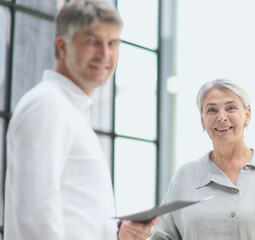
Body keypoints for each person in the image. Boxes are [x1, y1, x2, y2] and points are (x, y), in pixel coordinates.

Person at [4, 1, 157, 239]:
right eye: (92, 41)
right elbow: (35, 220)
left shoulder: (70, 110)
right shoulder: (47, 106)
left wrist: (116, 234)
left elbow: (72, 215)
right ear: (62, 46)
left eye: (113, 43)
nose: (105, 54)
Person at [150, 79, 255, 239]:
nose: (221, 117)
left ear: (247, 115)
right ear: (202, 119)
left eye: (231, 108)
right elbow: (162, 236)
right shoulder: (184, 177)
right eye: (212, 110)